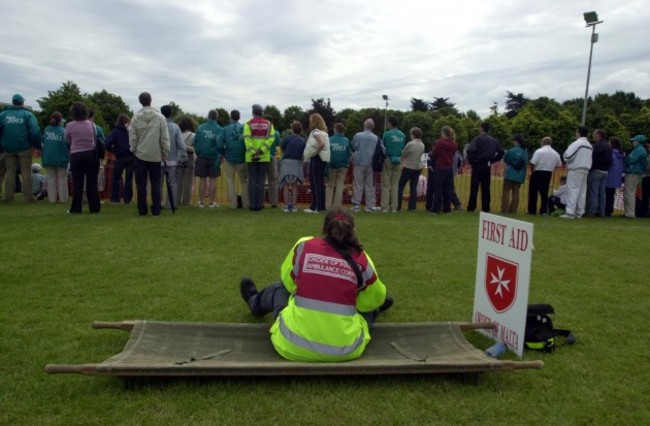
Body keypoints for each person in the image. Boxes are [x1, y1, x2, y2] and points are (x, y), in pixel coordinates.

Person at [239, 207, 392, 362]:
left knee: (279, 288)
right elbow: (370, 301)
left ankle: (254, 302)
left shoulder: (304, 246)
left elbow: (289, 283)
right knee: (369, 306)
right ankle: (380, 304)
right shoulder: (362, 260)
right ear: (353, 230)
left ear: (324, 229)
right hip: (345, 350)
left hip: (292, 344)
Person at [129, 92, 170, 216]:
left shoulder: (135, 118)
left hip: (140, 155)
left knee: (140, 184)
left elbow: (133, 137)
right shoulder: (160, 117)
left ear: (140, 101)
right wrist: (165, 151)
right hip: (156, 155)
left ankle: (142, 210)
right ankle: (156, 209)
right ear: (151, 100)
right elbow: (164, 137)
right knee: (156, 184)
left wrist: (133, 149)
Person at [0, 94, 41, 202]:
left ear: (13, 102)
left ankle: (8, 196)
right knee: (26, 172)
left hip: (8, 148)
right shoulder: (28, 115)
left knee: (10, 172)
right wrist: (37, 145)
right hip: (24, 147)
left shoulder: (3, 114)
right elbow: (35, 131)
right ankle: (28, 197)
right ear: (22, 103)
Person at [65, 101, 101, 214]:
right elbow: (95, 138)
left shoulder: (70, 125)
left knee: (78, 183)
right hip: (91, 154)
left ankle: (76, 208)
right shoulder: (91, 125)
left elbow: (67, 139)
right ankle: (94, 208)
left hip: (76, 155)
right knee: (92, 182)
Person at [466, 122, 504, 212]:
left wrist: (472, 161)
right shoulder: (494, 140)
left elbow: (470, 150)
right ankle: (486, 207)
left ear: (481, 128)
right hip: (487, 166)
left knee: (474, 187)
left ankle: (471, 207)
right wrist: (493, 161)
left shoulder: (477, 139)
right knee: (486, 188)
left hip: (477, 164)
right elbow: (501, 152)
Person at [244, 104, 274, 211]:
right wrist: (261, 151)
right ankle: (259, 205)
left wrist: (253, 152)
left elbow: (247, 140)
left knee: (252, 181)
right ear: (262, 113)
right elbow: (271, 139)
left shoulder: (248, 124)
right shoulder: (269, 124)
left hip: (251, 157)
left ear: (253, 113)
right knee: (261, 181)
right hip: (264, 157)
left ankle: (253, 205)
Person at [561, 126, 593, 219]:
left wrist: (565, 156)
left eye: (576, 132)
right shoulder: (589, 145)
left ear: (579, 133)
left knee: (573, 190)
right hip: (585, 170)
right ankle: (580, 212)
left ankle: (570, 212)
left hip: (575, 169)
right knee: (582, 192)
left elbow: (568, 156)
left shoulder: (577, 144)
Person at [351, 119, 381, 212]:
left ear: (364, 125)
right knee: (370, 186)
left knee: (358, 185)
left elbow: (353, 146)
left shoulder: (358, 136)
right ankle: (370, 206)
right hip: (371, 164)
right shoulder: (376, 138)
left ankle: (356, 206)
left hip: (359, 163)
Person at [219, 110, 248, 209]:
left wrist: (223, 152)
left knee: (230, 181)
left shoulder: (225, 129)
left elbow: (219, 143)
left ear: (230, 118)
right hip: (243, 158)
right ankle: (246, 203)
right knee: (244, 181)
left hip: (229, 158)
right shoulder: (244, 128)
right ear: (239, 117)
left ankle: (233, 204)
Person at [160, 105, 187, 210]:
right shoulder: (175, 127)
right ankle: (171, 205)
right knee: (173, 183)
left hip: (158, 159)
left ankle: (158, 203)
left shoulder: (157, 126)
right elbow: (181, 144)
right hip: (172, 160)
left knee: (158, 183)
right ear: (171, 113)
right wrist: (183, 158)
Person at [194, 110, 222, 208]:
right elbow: (221, 144)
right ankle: (211, 202)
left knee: (202, 179)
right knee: (213, 180)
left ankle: (201, 202)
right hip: (214, 157)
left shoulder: (200, 127)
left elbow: (195, 142)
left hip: (202, 156)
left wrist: (198, 152)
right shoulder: (219, 129)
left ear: (208, 116)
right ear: (216, 117)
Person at [303, 113, 330, 213]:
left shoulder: (315, 132)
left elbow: (321, 144)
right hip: (323, 160)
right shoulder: (324, 132)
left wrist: (315, 152)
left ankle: (316, 207)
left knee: (315, 183)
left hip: (317, 159)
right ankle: (321, 206)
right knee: (320, 182)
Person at [527, 136, 562, 215]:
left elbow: (533, 163)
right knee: (544, 193)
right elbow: (559, 164)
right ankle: (543, 210)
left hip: (537, 172)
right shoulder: (555, 153)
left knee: (533, 192)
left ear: (543, 142)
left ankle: (532, 210)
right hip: (548, 173)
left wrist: (532, 171)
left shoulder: (539, 151)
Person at [105, 114, 134, 204]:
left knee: (116, 178)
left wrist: (113, 150)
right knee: (129, 178)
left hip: (120, 157)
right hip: (131, 157)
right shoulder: (131, 131)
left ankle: (115, 198)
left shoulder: (115, 132)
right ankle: (127, 199)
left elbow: (107, 143)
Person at [41, 111, 69, 203]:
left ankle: (52, 199)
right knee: (62, 179)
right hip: (61, 158)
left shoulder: (47, 130)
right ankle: (63, 199)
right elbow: (69, 144)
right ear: (60, 120)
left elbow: (43, 141)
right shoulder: (64, 131)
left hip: (48, 157)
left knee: (50, 178)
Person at [279, 121, 306, 212]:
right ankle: (294, 206)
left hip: (286, 162)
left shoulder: (286, 138)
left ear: (292, 129)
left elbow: (282, 148)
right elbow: (303, 153)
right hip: (297, 163)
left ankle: (286, 206)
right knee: (295, 185)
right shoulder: (303, 140)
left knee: (286, 185)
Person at [380, 117, 406, 213]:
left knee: (386, 184)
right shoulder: (402, 135)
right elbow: (402, 147)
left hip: (388, 159)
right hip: (398, 160)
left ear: (390, 123)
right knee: (395, 185)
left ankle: (385, 207)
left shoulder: (386, 134)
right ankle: (394, 207)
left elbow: (384, 146)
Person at [431, 125, 458, 214]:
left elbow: (435, 153)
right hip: (449, 168)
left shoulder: (440, 142)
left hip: (440, 167)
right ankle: (447, 209)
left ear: (443, 132)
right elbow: (453, 154)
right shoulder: (454, 143)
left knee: (438, 189)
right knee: (448, 189)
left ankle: (436, 209)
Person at [397, 127, 425, 211]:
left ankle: (398, 205)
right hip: (418, 167)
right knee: (413, 187)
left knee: (400, 186)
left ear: (413, 135)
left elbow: (403, 154)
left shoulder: (410, 144)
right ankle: (412, 207)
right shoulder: (422, 144)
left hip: (409, 167)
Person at [586, 129, 612, 217]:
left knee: (593, 192)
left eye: (594, 134)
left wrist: (590, 168)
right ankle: (601, 212)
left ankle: (591, 211)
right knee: (602, 193)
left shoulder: (597, 146)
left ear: (598, 135)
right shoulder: (608, 146)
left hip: (596, 171)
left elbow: (592, 158)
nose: (593, 135)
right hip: (605, 171)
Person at [325, 122, 351, 210]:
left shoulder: (329, 139)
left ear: (335, 129)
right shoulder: (346, 140)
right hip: (343, 165)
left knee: (330, 185)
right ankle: (337, 206)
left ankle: (327, 206)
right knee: (340, 185)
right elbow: (349, 153)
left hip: (332, 164)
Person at [622, 135, 648, 219]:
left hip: (633, 173)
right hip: (637, 173)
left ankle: (629, 213)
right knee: (630, 193)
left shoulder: (639, 150)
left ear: (638, 142)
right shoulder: (641, 149)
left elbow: (629, 159)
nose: (632, 142)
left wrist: (626, 158)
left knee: (629, 193)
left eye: (634, 141)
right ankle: (629, 213)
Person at [501, 134, 528, 214]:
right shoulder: (525, 151)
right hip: (520, 175)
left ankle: (505, 210)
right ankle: (513, 210)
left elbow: (506, 160)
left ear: (516, 141)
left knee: (506, 191)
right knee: (516, 192)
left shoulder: (512, 150)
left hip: (510, 174)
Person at [177, 117, 196, 206]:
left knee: (178, 180)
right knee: (188, 181)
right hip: (189, 157)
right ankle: (186, 201)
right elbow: (195, 149)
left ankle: (177, 199)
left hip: (179, 158)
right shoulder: (193, 135)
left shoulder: (178, 134)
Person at [605, 137, 625, 217]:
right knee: (611, 194)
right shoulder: (621, 154)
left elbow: (609, 163)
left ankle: (606, 210)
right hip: (617, 176)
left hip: (610, 175)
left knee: (607, 194)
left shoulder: (611, 152)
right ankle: (610, 210)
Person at [266, 115, 281, 209]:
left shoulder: (262, 133)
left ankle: (260, 201)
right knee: (273, 181)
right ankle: (274, 202)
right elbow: (277, 144)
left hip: (262, 157)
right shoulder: (276, 133)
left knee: (261, 180)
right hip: (272, 157)